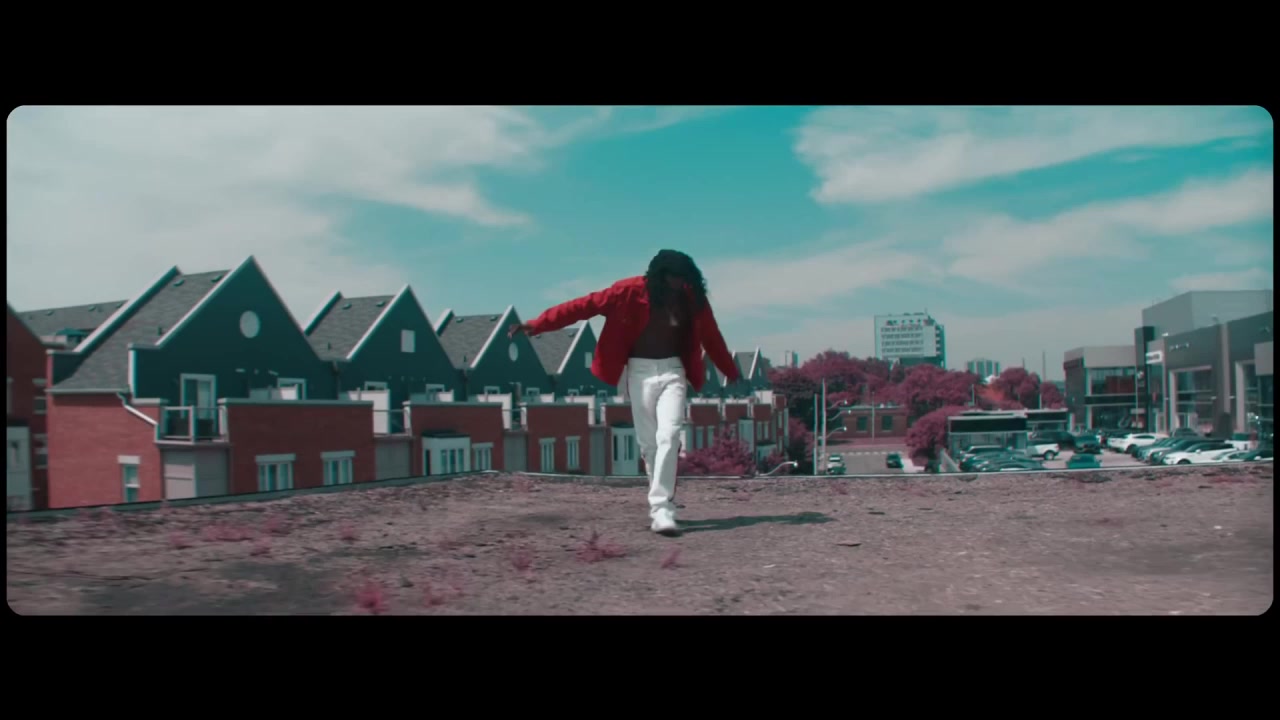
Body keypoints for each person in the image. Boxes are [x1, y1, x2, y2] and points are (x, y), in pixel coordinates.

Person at [509, 250, 741, 535]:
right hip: (639, 372)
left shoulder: (691, 298)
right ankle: (661, 505)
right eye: (673, 279)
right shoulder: (627, 292)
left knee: (670, 435)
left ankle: (662, 508)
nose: (678, 285)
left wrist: (730, 371)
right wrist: (538, 324)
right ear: (659, 277)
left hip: (673, 371)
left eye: (684, 279)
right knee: (649, 445)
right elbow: (582, 306)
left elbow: (711, 336)